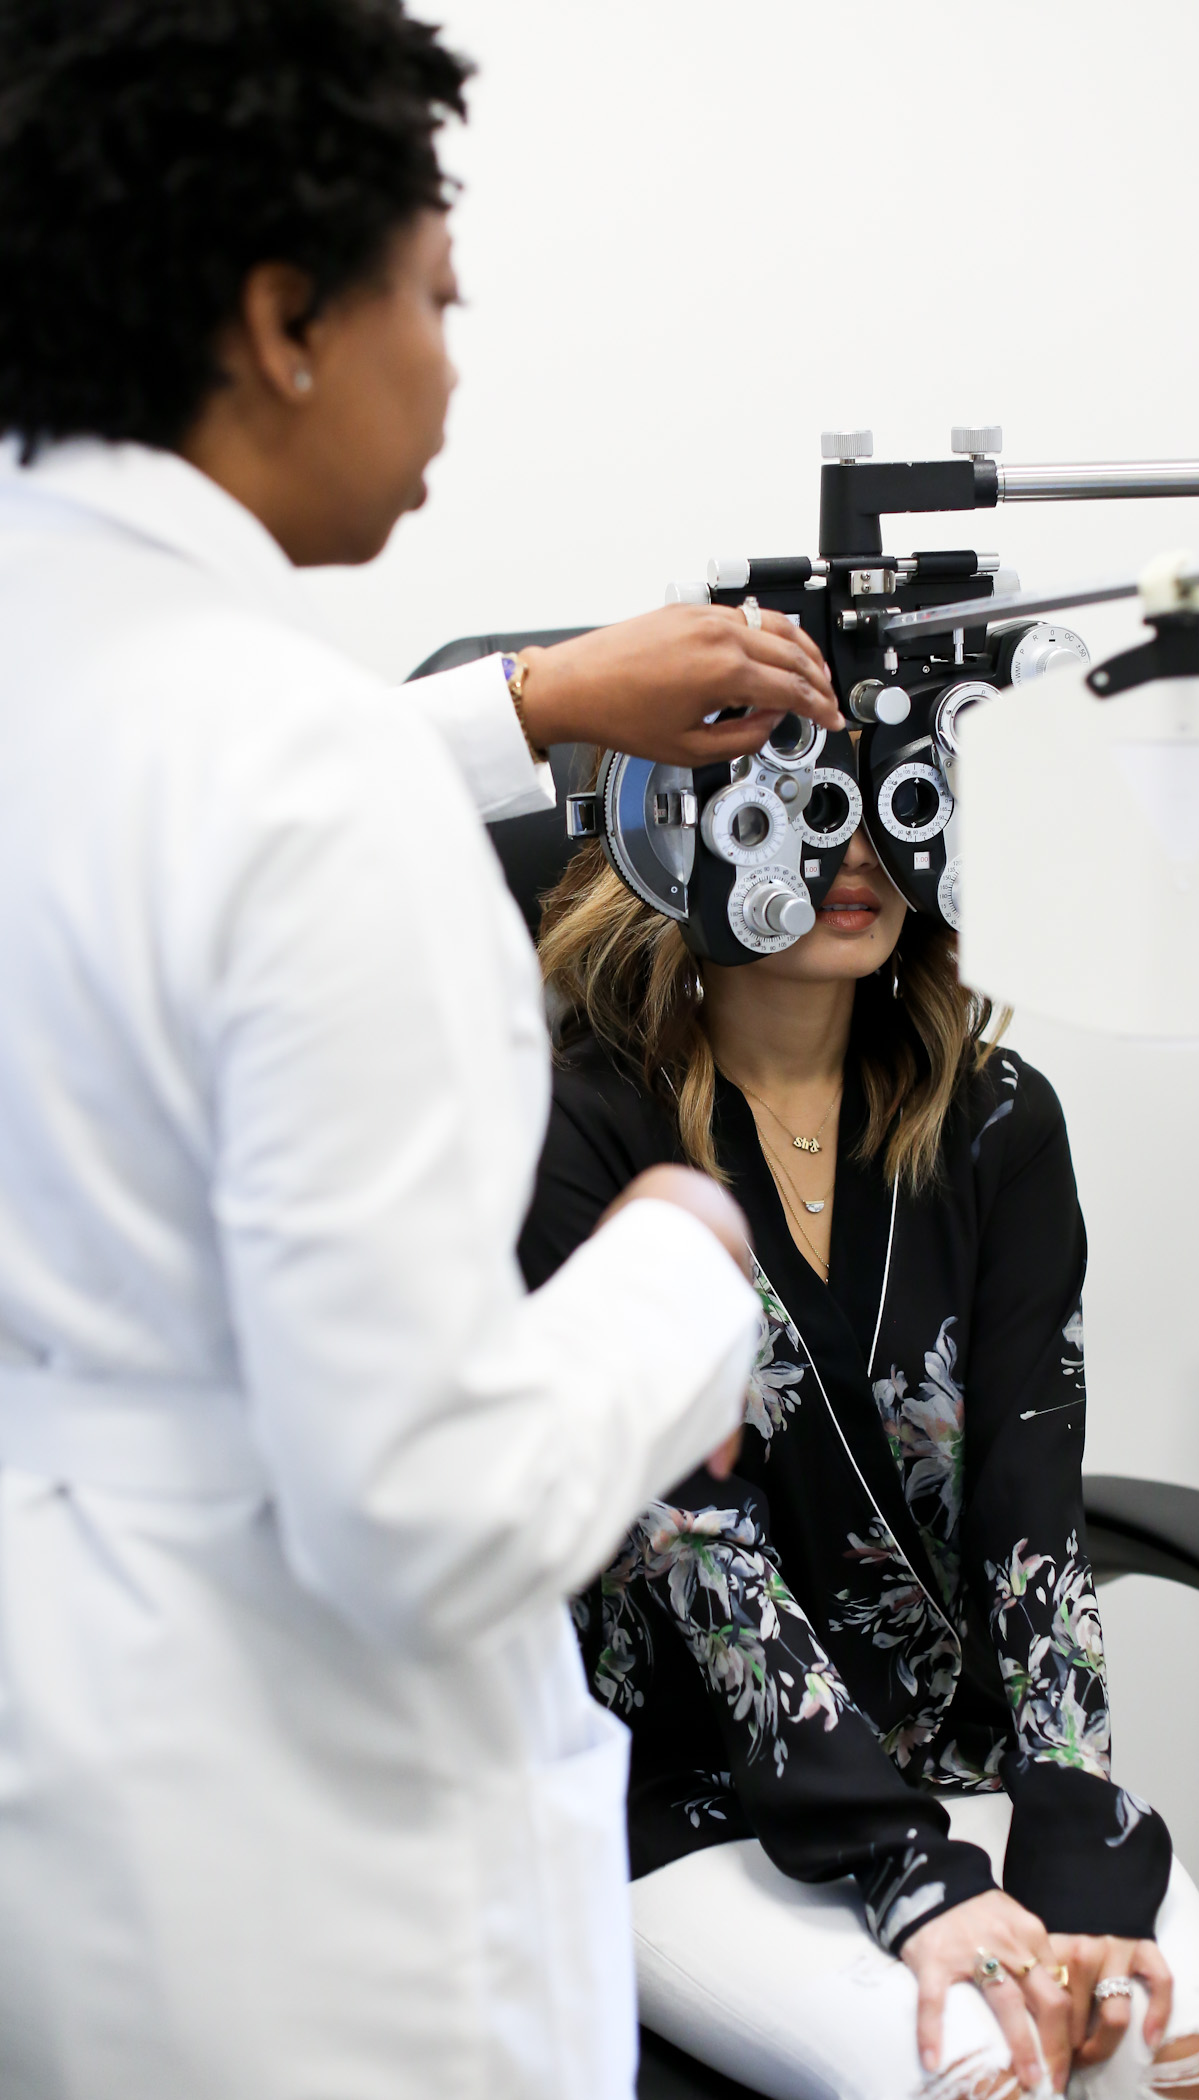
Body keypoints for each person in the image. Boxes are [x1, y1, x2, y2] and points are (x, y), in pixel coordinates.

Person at [0, 5, 846, 2097]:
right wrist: (679, 1271)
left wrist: (531, 701)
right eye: (437, 298)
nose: (455, 364)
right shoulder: (299, 786)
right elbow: (429, 1506)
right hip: (313, 1896)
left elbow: (154, 825)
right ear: (288, 316)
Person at [519, 812, 1199, 2100]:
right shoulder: (575, 1126)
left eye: (889, 807)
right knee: (981, 2073)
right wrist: (910, 1873)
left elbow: (1035, 1491)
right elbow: (689, 1547)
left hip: (966, 1750)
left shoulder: (997, 1116)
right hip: (700, 1788)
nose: (855, 853)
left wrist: (1074, 1835)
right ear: (680, 833)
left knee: (1177, 2054)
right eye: (805, 807)